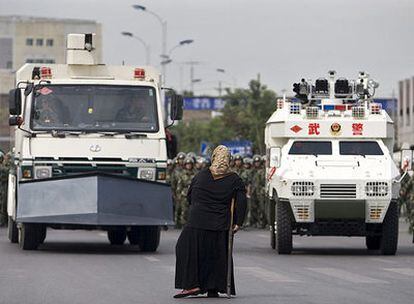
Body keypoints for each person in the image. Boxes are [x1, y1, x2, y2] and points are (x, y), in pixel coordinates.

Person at [174, 145, 247, 298]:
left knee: (187, 249)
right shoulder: (234, 179)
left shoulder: (201, 175)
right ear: (229, 160)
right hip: (220, 223)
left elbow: (189, 197)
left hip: (197, 221)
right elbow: (241, 202)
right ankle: (213, 287)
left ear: (213, 158)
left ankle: (192, 284)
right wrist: (238, 223)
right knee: (216, 254)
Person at [175, 157, 196, 227]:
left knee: (192, 210)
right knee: (184, 210)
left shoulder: (195, 174)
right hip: (184, 194)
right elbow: (179, 186)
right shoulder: (182, 174)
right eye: (187, 164)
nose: (188, 166)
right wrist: (178, 195)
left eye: (190, 164)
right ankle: (183, 224)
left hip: (193, 194)